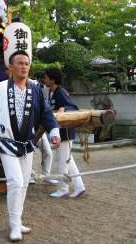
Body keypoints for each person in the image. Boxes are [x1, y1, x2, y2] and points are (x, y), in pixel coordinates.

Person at [0, 51, 60, 242]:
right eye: (20, 63)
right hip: (6, 143)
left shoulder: (36, 89)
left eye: (26, 63)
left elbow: (46, 114)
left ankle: (18, 220)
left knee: (23, 185)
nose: (24, 67)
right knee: (15, 182)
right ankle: (14, 225)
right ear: (10, 67)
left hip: (27, 145)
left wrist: (54, 132)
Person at [44, 68, 85, 199]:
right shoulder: (52, 92)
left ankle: (63, 189)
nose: (44, 80)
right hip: (58, 131)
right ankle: (79, 186)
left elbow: (73, 107)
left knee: (61, 161)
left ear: (52, 79)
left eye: (46, 77)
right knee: (68, 161)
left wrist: (64, 108)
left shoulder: (60, 92)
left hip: (65, 132)